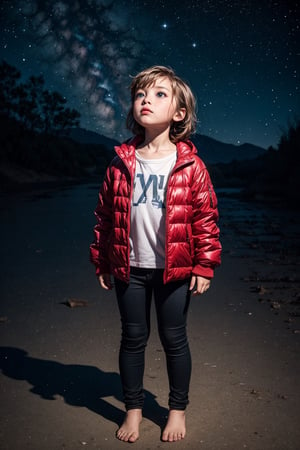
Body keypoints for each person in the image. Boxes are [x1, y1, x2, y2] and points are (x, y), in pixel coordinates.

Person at [90, 65, 221, 443]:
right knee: (132, 338)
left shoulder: (190, 165)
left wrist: (205, 265)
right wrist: (102, 258)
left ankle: (176, 410)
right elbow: (105, 213)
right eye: (141, 95)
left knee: (174, 339)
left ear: (179, 113)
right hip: (129, 267)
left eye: (160, 94)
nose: (147, 99)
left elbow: (206, 218)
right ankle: (133, 410)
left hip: (174, 269)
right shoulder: (120, 161)